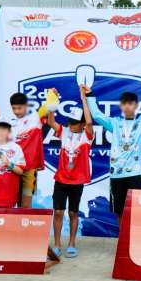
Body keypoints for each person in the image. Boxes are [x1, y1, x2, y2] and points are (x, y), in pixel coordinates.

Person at [86, 71, 141, 220]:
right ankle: (122, 236)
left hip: (135, 174)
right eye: (124, 103)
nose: (127, 106)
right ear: (121, 106)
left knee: (134, 211)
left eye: (130, 103)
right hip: (117, 174)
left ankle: (131, 235)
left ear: (136, 105)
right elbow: (97, 115)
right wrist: (90, 96)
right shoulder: (115, 123)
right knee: (119, 212)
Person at [47, 85, 94, 258]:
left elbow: (89, 122)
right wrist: (51, 100)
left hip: (77, 182)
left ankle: (72, 243)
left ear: (81, 124)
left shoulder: (87, 136)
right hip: (61, 180)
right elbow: (50, 122)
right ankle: (57, 244)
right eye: (69, 121)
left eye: (74, 122)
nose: (70, 125)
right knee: (58, 212)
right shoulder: (64, 132)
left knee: (73, 212)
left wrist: (84, 100)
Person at [0, 92, 45, 208]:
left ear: (26, 106)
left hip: (29, 168)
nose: (17, 111)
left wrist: (53, 94)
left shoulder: (35, 118)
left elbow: (49, 106)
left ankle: (25, 220)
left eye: (20, 108)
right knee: (9, 203)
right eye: (14, 108)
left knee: (25, 205)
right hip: (12, 167)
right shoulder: (8, 122)